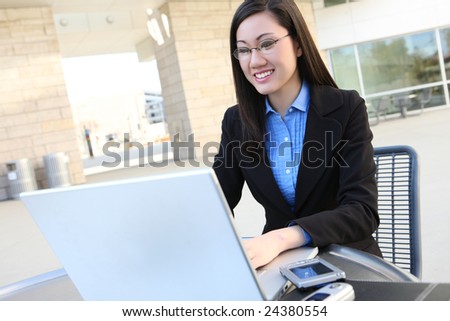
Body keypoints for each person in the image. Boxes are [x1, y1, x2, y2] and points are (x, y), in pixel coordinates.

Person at [213, 0, 381, 269]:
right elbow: (216, 202)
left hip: (348, 259)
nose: (255, 61)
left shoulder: (346, 108)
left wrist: (282, 238)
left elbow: (362, 212)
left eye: (267, 44)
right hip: (283, 267)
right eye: (244, 50)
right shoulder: (237, 122)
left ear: (298, 44)